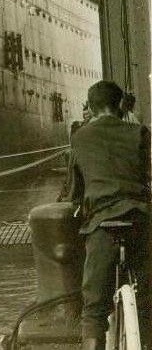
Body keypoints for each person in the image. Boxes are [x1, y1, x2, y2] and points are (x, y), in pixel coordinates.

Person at [68, 80, 151, 350]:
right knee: (148, 299)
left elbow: (75, 189)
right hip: (139, 220)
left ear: (91, 108)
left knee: (93, 308)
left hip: (102, 225)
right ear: (120, 105)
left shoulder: (80, 137)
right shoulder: (140, 132)